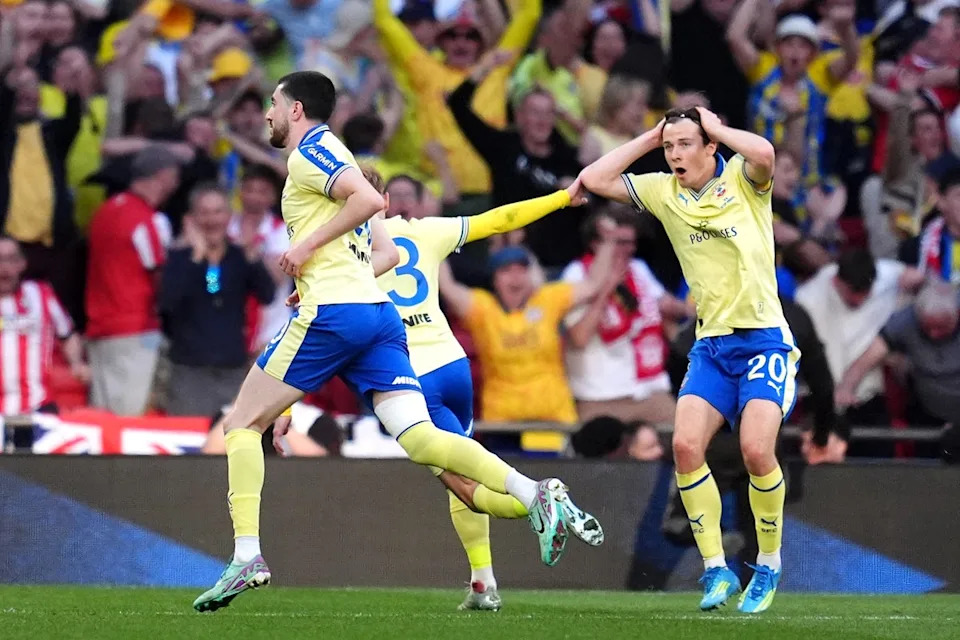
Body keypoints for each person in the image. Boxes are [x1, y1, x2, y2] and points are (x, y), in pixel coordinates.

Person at [192, 71, 600, 613]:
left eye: (272, 103)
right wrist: (316, 273)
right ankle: (534, 493)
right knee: (421, 439)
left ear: (295, 110)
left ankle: (247, 556)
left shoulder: (307, 154)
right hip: (376, 316)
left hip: (337, 314)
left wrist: (302, 252)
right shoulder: (346, 168)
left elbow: (364, 200)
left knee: (241, 423)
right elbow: (381, 252)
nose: (267, 113)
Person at [296, 165, 600, 611]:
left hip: (406, 376)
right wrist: (559, 199)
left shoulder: (339, 246)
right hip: (452, 365)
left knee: (463, 483)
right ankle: (483, 583)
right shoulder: (425, 231)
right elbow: (499, 220)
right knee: (463, 467)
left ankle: (539, 495)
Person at [580, 107, 801, 613]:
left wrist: (716, 126)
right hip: (712, 345)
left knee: (755, 451)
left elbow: (765, 152)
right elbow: (595, 178)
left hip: (764, 341)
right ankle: (716, 570)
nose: (676, 154)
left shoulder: (745, 181)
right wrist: (650, 137)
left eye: (686, 144)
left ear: (711, 149)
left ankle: (768, 564)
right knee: (683, 446)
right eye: (670, 146)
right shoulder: (663, 191)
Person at [159, 185, 275, 417]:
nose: (211, 220)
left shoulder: (239, 255)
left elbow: (267, 295)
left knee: (227, 441)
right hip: (189, 370)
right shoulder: (180, 258)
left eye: (218, 212)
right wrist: (197, 257)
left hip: (230, 368)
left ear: (229, 216)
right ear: (192, 218)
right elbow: (167, 304)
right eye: (204, 213)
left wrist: (253, 257)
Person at [85, 147, 179, 416]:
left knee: (102, 411)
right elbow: (159, 273)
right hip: (135, 327)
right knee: (129, 412)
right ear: (163, 176)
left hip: (100, 325)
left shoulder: (105, 211)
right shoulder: (146, 220)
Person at [0, 235, 89, 416]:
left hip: (38, 406)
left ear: (22, 264)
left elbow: (67, 334)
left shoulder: (41, 294)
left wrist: (77, 363)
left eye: (11, 259)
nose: (5, 267)